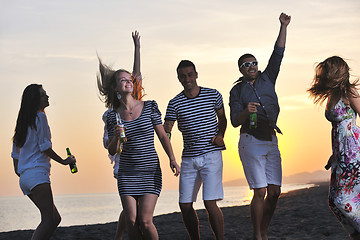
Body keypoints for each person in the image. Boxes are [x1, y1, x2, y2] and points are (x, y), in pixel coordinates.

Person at [97, 36, 180, 240]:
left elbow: (162, 134)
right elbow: (111, 150)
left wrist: (172, 158)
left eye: (129, 79)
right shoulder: (112, 116)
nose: (128, 81)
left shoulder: (149, 106)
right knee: (132, 222)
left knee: (145, 221)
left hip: (150, 170)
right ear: (116, 88)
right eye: (122, 80)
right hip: (127, 172)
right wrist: (116, 137)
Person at [229, 13, 291, 240]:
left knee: (274, 192)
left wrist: (283, 26)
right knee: (260, 191)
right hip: (250, 142)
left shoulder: (268, 78)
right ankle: (258, 235)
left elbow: (278, 53)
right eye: (247, 64)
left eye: (254, 62)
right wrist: (247, 111)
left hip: (271, 138)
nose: (252, 66)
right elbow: (235, 120)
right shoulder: (236, 91)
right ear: (241, 70)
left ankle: (263, 230)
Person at [164, 60, 227, 240]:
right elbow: (166, 130)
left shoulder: (213, 94)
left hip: (211, 155)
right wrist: (170, 154)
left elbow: (222, 119)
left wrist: (221, 135)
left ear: (196, 74)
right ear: (178, 78)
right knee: (184, 205)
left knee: (209, 202)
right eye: (183, 76)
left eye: (190, 74)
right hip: (189, 159)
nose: (187, 79)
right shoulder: (174, 103)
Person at [11, 84, 76, 240]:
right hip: (37, 174)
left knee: (55, 219)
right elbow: (45, 146)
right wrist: (64, 161)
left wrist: (19, 171)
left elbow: (15, 153)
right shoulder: (40, 117)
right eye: (43, 94)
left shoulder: (23, 122)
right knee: (48, 220)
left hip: (26, 178)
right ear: (35, 100)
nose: (47, 96)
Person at [308, 56, 360, 239]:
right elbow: (337, 129)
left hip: (353, 152)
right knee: (333, 201)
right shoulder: (332, 94)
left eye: (326, 70)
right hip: (340, 153)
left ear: (335, 72)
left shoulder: (349, 91)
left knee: (342, 199)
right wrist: (334, 153)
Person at [100, 30, 142, 240]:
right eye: (123, 80)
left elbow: (136, 74)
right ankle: (120, 235)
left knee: (134, 207)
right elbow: (108, 143)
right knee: (131, 205)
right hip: (120, 155)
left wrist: (137, 48)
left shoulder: (136, 100)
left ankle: (119, 235)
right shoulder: (112, 111)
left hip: (138, 156)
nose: (129, 81)